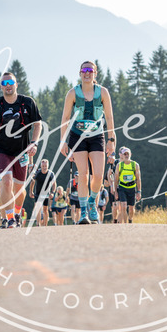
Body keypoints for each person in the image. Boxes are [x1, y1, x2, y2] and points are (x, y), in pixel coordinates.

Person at [0, 72, 42, 228]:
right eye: (4, 83)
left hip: (22, 152)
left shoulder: (27, 102)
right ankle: (10, 218)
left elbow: (38, 124)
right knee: (6, 183)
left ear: (16, 84)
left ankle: (17, 214)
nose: (8, 86)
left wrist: (34, 143)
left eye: (10, 83)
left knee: (20, 189)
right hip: (2, 151)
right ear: (1, 87)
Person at [60, 61, 116, 224]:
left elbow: (109, 117)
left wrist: (111, 140)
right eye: (84, 70)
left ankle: (92, 201)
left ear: (95, 74)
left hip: (97, 135)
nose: (87, 73)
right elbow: (65, 118)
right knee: (83, 174)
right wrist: (63, 141)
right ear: (79, 73)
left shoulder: (103, 92)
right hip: (77, 136)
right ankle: (83, 212)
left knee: (98, 175)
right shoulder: (72, 93)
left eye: (90, 70)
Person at [114, 147, 142, 224]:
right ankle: (125, 224)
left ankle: (130, 220)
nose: (126, 155)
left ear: (130, 154)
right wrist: (115, 192)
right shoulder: (119, 165)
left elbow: (138, 179)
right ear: (122, 156)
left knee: (131, 208)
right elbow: (116, 179)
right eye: (125, 154)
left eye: (127, 154)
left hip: (132, 188)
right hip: (122, 188)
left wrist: (139, 191)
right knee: (123, 206)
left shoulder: (135, 165)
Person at [29, 159, 56, 227]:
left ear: (48, 166)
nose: (44, 167)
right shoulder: (37, 173)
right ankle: (38, 224)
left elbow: (54, 184)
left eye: (45, 166)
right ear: (41, 166)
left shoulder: (51, 174)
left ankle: (45, 225)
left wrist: (52, 192)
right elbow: (32, 182)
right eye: (43, 166)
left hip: (46, 194)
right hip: (38, 193)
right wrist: (31, 191)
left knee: (45, 209)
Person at [105, 153, 119, 223]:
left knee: (119, 205)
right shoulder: (111, 167)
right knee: (113, 206)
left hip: (120, 187)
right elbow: (105, 182)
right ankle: (115, 220)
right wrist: (111, 185)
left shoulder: (122, 164)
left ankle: (119, 220)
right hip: (112, 188)